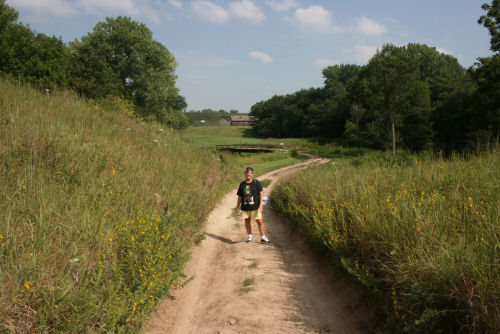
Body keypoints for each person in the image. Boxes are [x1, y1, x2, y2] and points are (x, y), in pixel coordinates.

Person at [235, 167, 271, 244]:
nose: (249, 174)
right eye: (247, 173)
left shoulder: (256, 183)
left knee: (259, 221)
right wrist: (237, 206)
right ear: (245, 174)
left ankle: (263, 238)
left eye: (250, 173)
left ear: (252, 174)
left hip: (255, 207)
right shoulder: (242, 184)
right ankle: (250, 237)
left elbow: (261, 194)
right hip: (245, 207)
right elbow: (240, 196)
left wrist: (260, 205)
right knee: (247, 221)